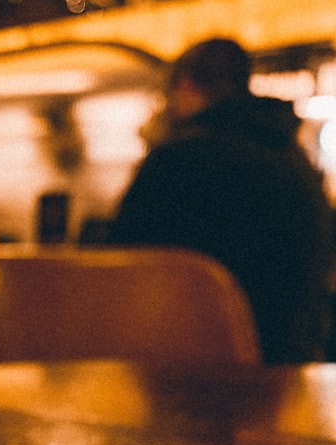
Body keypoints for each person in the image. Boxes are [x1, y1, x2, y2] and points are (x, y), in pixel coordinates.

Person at [107, 38, 334, 363]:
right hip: (290, 370)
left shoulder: (177, 161)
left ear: (185, 85)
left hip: (200, 380)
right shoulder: (290, 154)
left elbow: (121, 268)